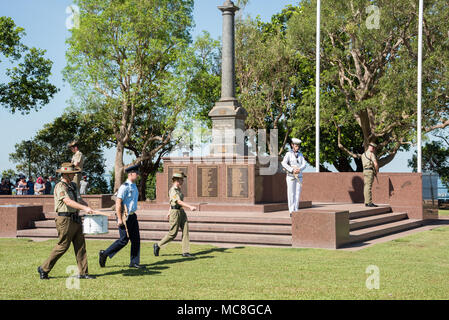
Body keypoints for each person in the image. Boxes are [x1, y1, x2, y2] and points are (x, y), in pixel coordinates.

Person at [37, 163, 96, 280]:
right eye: (72, 173)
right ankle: (44, 268)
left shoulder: (73, 185)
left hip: (76, 218)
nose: (74, 175)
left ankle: (84, 273)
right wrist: (84, 208)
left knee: (80, 246)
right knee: (63, 246)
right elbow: (67, 201)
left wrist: (88, 206)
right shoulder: (60, 186)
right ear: (65, 174)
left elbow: (79, 199)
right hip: (64, 219)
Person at [99, 164, 144, 269]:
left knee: (136, 240)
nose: (138, 175)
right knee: (124, 240)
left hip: (132, 216)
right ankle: (105, 254)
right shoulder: (124, 187)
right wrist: (119, 219)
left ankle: (134, 262)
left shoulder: (134, 186)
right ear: (131, 174)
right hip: (124, 217)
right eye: (137, 174)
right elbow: (118, 203)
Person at [153, 172, 197, 258]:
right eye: (181, 179)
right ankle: (158, 245)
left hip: (181, 212)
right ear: (177, 180)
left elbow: (172, 202)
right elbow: (178, 202)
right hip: (175, 213)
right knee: (173, 233)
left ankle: (185, 252)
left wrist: (168, 211)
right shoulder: (172, 190)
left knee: (185, 231)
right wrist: (190, 207)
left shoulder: (178, 190)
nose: (183, 181)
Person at [282, 138, 307, 215]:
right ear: (292, 145)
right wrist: (292, 170)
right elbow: (283, 163)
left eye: (298, 146)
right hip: (291, 176)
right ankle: (291, 211)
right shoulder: (288, 154)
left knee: (297, 193)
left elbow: (304, 164)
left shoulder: (300, 154)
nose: (297, 147)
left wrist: (299, 169)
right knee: (291, 193)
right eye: (296, 146)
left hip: (299, 176)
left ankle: (296, 210)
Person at [362, 142, 379, 207]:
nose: (373, 148)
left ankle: (366, 202)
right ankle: (369, 202)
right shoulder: (371, 154)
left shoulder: (363, 154)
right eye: (373, 147)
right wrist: (377, 170)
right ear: (370, 146)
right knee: (368, 187)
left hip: (365, 171)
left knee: (366, 186)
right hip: (369, 171)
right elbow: (376, 164)